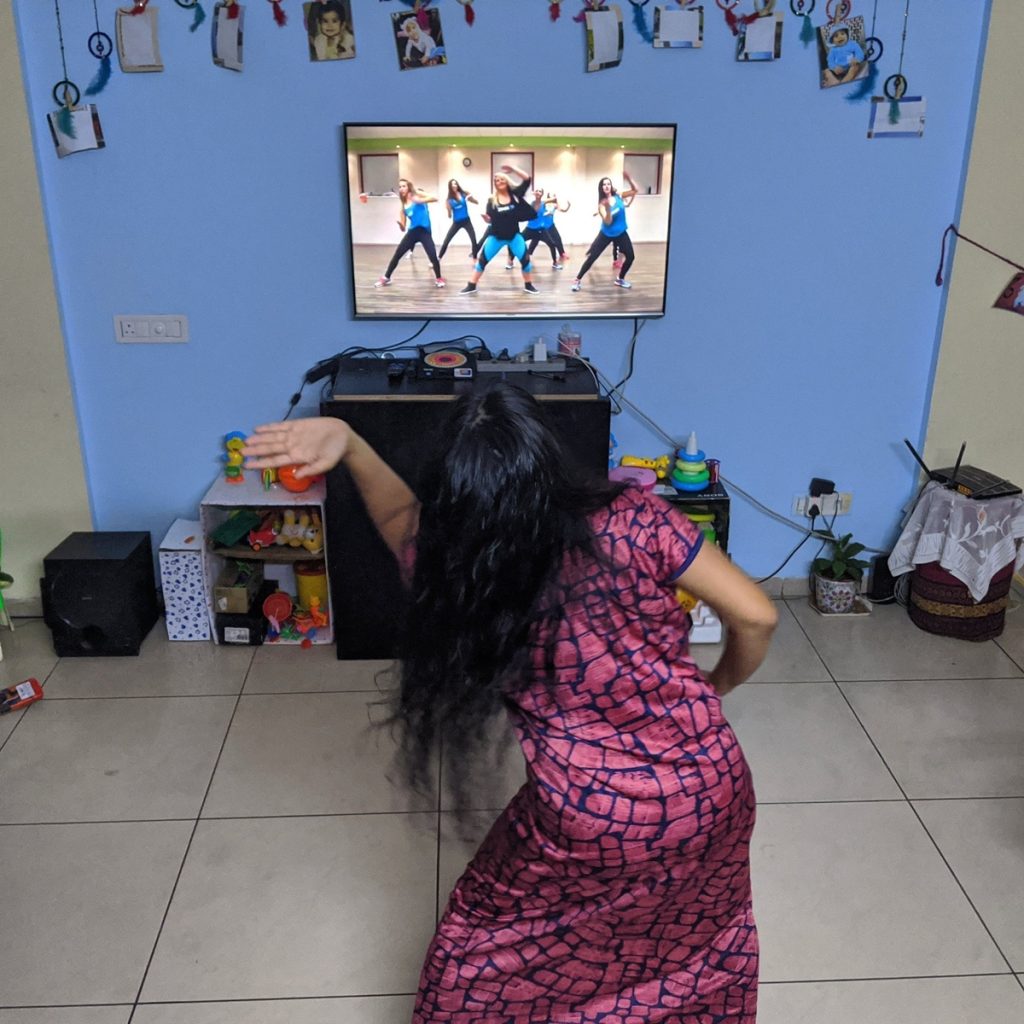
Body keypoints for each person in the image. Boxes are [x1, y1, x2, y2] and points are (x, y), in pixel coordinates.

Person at [242, 382, 778, 1024]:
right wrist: (714, 689)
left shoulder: (465, 570)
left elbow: (397, 521)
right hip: (713, 789)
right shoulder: (637, 517)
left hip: (589, 816)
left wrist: (353, 445)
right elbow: (758, 616)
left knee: (485, 943)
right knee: (694, 941)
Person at [460, 166, 542, 295]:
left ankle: (528, 285)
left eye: (502, 179)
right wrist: (487, 219)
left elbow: (527, 179)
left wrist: (513, 169)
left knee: (526, 262)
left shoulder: (515, 195)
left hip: (514, 236)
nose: (500, 182)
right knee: (482, 261)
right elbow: (490, 220)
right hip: (496, 236)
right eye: (497, 180)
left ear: (507, 180)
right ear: (495, 184)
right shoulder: (491, 201)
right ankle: (471, 285)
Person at [571, 173, 639, 292]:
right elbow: (608, 222)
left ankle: (620, 278)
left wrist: (629, 179)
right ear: (601, 188)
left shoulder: (619, 196)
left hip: (621, 232)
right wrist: (607, 209)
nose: (606, 186)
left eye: (608, 184)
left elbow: (635, 191)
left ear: (611, 186)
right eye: (604, 184)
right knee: (592, 257)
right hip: (606, 234)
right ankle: (577, 279)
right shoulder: (601, 205)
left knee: (631, 257)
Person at [374, 178, 445, 289]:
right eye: (400, 186)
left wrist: (420, 197)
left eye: (404, 186)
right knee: (397, 255)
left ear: (408, 187)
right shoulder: (403, 207)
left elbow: (435, 198)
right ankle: (386, 277)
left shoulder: (417, 196)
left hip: (424, 232)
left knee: (432, 256)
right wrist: (401, 225)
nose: (402, 188)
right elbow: (403, 228)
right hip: (412, 233)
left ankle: (439, 278)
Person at [437, 179, 480, 261]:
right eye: (452, 184)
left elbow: (476, 202)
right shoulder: (448, 200)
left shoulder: (464, 194)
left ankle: (475, 259)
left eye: (455, 184)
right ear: (450, 187)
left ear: (457, 185)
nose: (454, 186)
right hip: (456, 223)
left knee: (473, 240)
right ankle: (438, 258)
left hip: (467, 221)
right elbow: (449, 216)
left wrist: (471, 198)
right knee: (447, 240)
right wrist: (448, 210)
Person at [522, 189, 562, 269]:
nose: (538, 192)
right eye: (536, 191)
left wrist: (550, 212)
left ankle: (555, 263)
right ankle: (511, 262)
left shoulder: (544, 203)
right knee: (517, 241)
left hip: (541, 230)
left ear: (542, 194)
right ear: (534, 193)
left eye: (540, 191)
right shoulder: (532, 204)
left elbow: (553, 202)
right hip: (530, 229)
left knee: (552, 245)